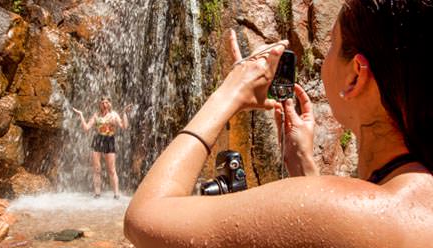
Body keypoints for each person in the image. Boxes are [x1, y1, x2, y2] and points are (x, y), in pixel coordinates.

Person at [124, 0, 433, 247]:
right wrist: (306, 170)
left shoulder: (355, 213)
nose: (325, 60)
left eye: (332, 45)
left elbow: (144, 218)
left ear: (355, 75)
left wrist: (230, 92)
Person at [72, 96, 132, 199]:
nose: (104, 105)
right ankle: (97, 193)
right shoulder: (96, 115)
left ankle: (116, 194)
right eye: (102, 103)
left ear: (109, 104)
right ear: (100, 104)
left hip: (109, 140)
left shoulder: (114, 115)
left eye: (106, 103)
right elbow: (86, 128)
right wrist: (81, 115)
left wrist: (125, 113)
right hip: (98, 140)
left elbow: (124, 126)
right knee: (97, 169)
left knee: (112, 170)